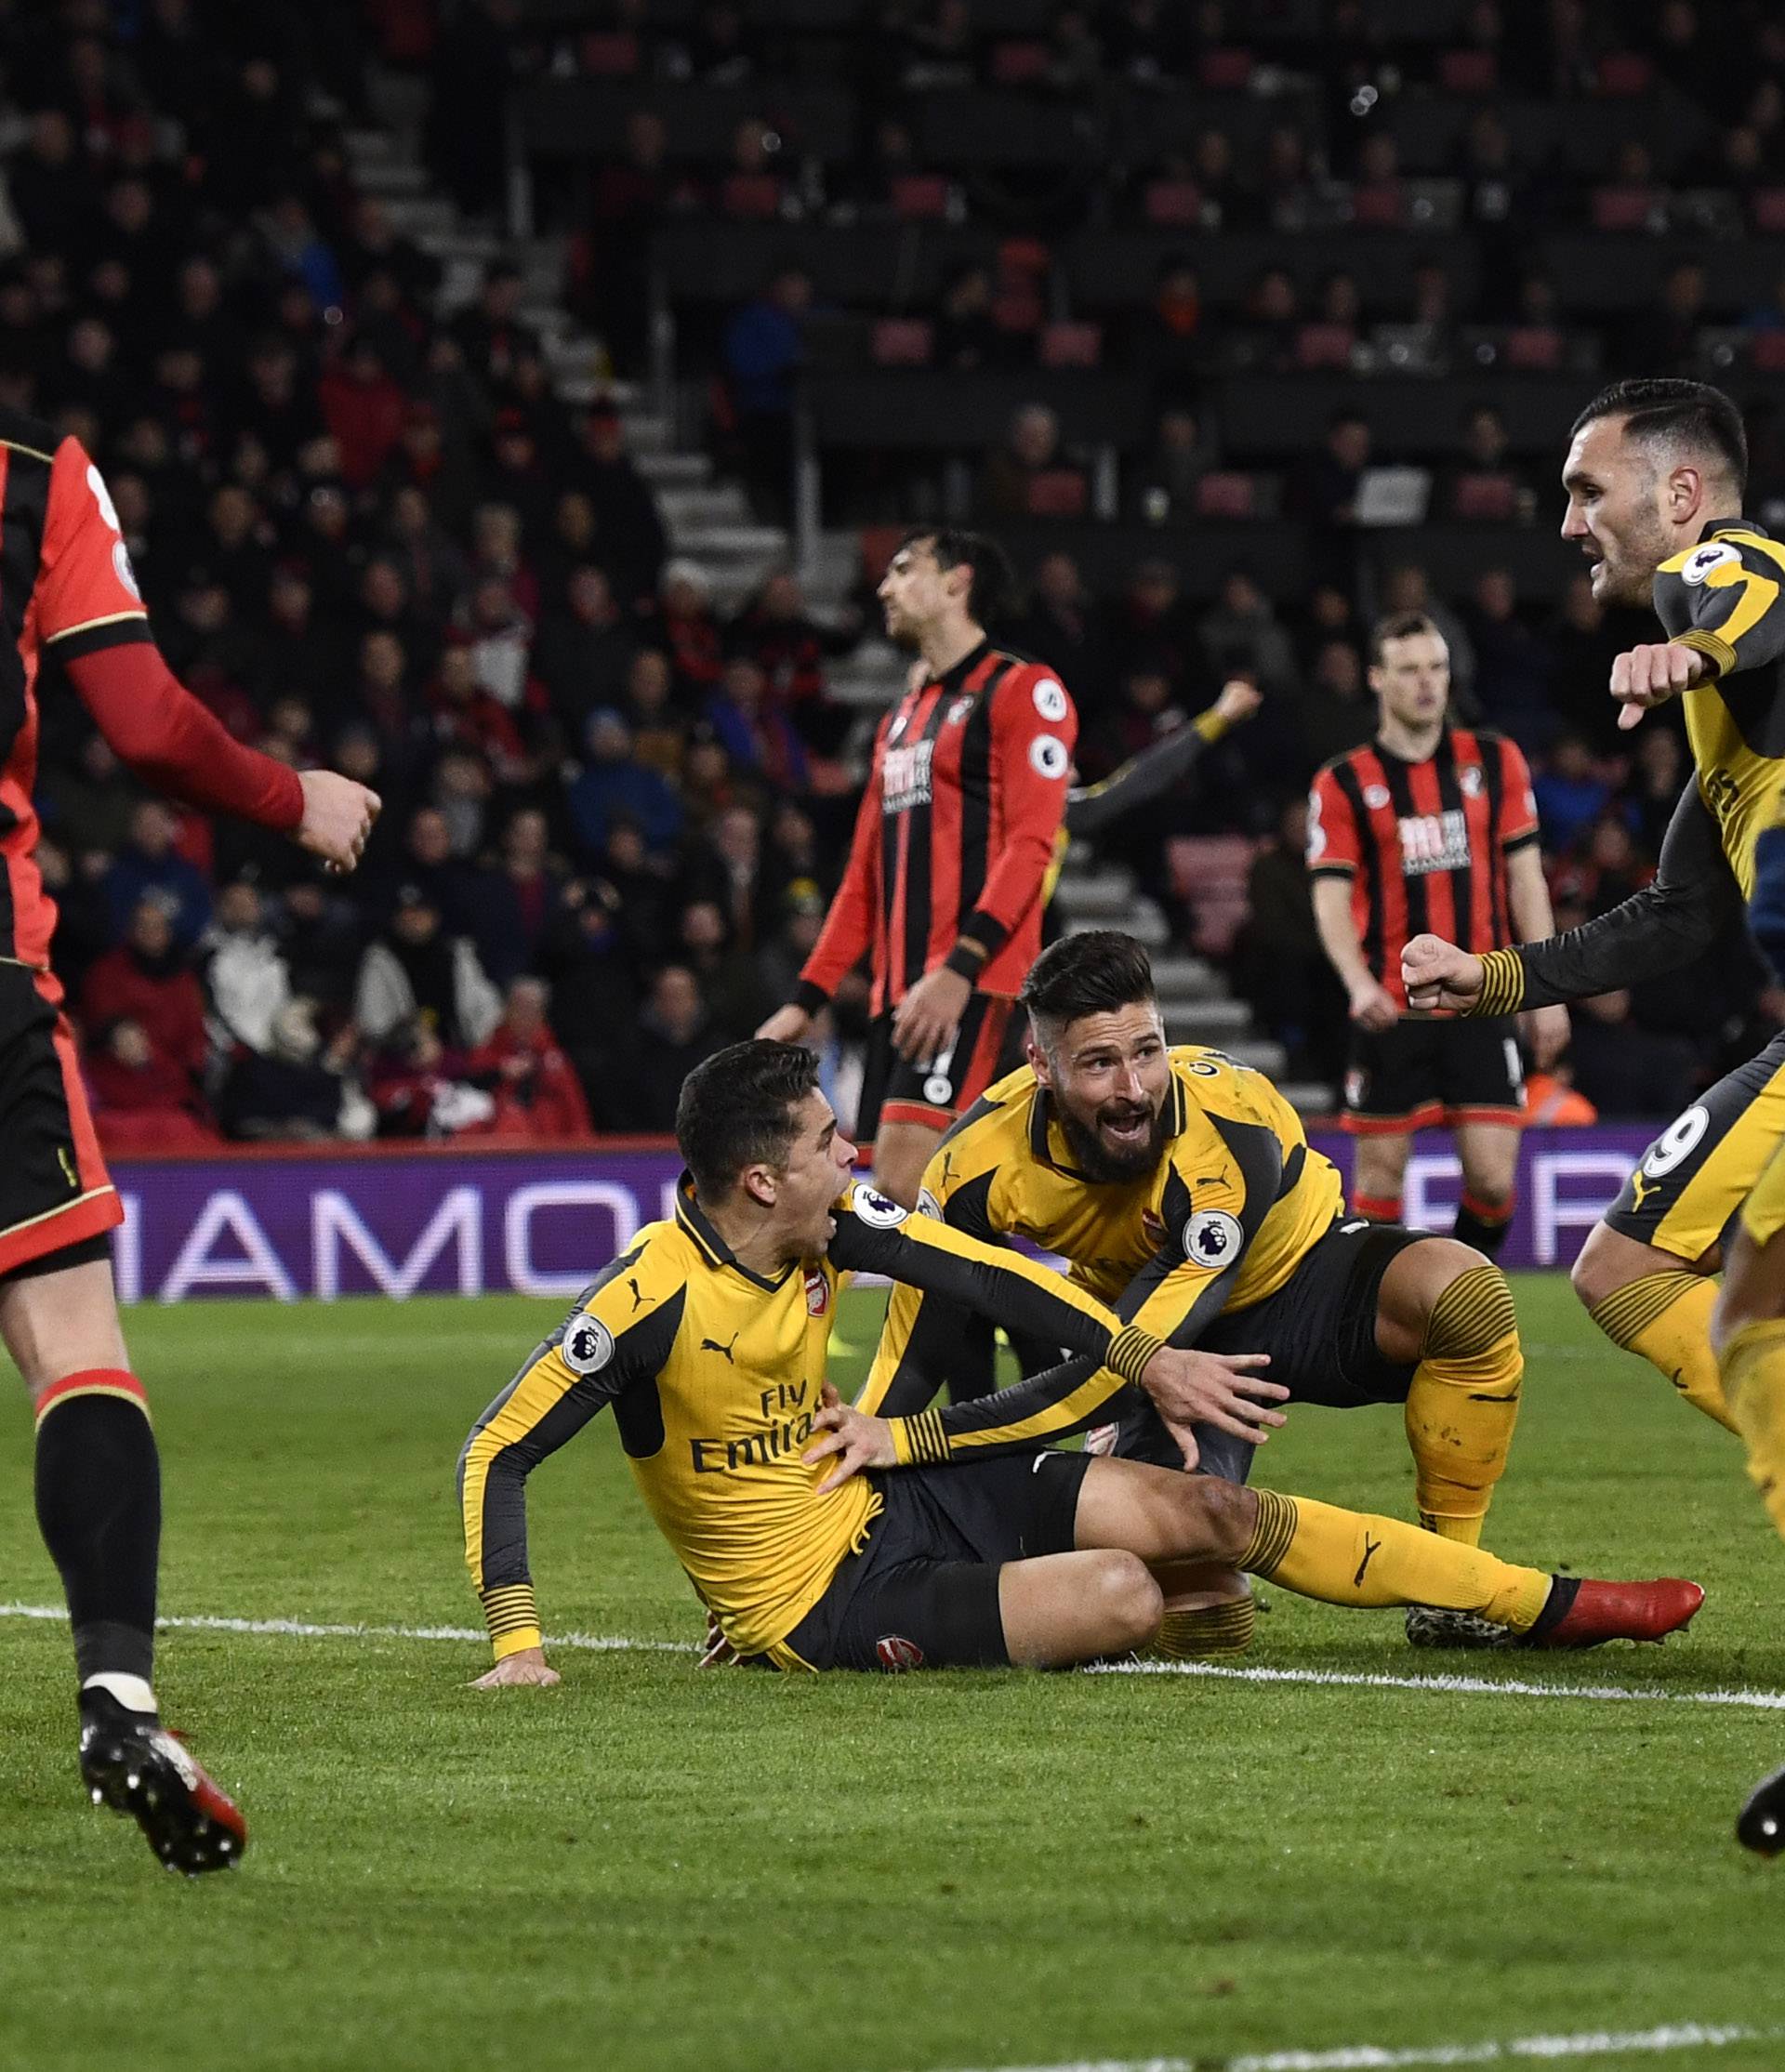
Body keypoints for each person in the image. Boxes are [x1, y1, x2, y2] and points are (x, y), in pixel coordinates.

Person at [457, 1041, 1700, 1683]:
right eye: (830, 1140)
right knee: (1130, 1594)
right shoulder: (647, 1298)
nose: (856, 1157)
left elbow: (999, 1282)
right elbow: (499, 1447)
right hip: (816, 1604)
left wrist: (1141, 1362)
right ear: (758, 1178)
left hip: (890, 1494)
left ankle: (1545, 1601)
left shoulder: (837, 1225)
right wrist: (518, 1640)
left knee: (1212, 1513)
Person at [1398, 380, 1785, 1841]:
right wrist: (1495, 978)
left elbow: (1753, 596)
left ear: (1680, 493)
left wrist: (1689, 645)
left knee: (1692, 1294)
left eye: (1587, 490)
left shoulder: (1728, 574)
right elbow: (1678, 918)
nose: (1570, 521)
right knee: (1654, 1279)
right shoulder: (1737, 740)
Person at [0, 411, 378, 1871]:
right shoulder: (38, 481)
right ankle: (116, 1696)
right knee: (74, 1345)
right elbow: (147, 726)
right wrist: (296, 799)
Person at [856, 928, 1574, 1656]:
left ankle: (1453, 1581)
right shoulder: (971, 1167)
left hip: (1301, 1283)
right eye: (1100, 1063)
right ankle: (1112, 1496)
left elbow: (1112, 1372)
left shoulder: (1224, 1127)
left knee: (1465, 1293)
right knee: (1204, 1617)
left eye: (1146, 1051)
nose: (1134, 1088)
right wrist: (860, 1462)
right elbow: (914, 1354)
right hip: (1154, 1335)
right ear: (1041, 1063)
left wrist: (920, 1441)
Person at [757, 531, 1077, 1208]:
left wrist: (959, 971)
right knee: (945, 1205)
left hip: (969, 983)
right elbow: (863, 879)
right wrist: (805, 999)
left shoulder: (1023, 690)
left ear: (959, 582)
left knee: (904, 1190)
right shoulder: (903, 718)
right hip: (898, 996)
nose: (884, 587)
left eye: (905, 570)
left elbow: (1031, 846)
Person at [1308, 613, 1569, 1256]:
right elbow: (1330, 895)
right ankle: (1378, 1327)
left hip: (1483, 998)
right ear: (1377, 679)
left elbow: (1526, 881)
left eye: (1436, 667)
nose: (1427, 683)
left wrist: (1547, 990)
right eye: (1409, 669)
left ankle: (1459, 1301)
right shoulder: (1343, 780)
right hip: (1390, 1011)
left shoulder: (1495, 759)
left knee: (1492, 1180)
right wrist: (1356, 981)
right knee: (1377, 1183)